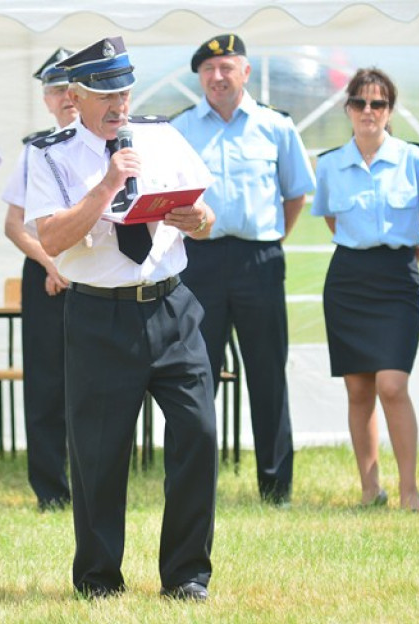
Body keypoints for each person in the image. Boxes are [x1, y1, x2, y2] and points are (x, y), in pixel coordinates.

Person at [25, 37, 218, 600]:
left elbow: (205, 219)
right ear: (74, 97)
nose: (118, 106)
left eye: (124, 92)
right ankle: (99, 579)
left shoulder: (161, 135)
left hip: (170, 305)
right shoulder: (51, 154)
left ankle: (186, 575)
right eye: (104, 95)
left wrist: (196, 217)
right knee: (99, 454)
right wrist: (107, 185)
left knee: (199, 433)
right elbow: (54, 238)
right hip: (98, 316)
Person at [171, 34, 315, 505]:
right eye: (208, 70)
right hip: (201, 263)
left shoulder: (275, 127)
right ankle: (197, 487)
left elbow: (296, 195)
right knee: (197, 378)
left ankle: (276, 487)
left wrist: (268, 238)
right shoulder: (182, 129)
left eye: (225, 68)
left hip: (259, 260)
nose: (216, 78)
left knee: (267, 374)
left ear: (245, 72)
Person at [312, 68, 419, 512]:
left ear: (390, 111)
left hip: (398, 279)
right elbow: (332, 220)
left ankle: (409, 489)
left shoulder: (413, 159)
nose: (369, 112)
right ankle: (370, 488)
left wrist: (401, 264)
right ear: (348, 108)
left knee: (391, 384)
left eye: (379, 104)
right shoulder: (329, 164)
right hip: (348, 280)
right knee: (358, 388)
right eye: (361, 103)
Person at [1, 48, 75, 511]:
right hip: (47, 272)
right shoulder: (36, 149)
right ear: (46, 100)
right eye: (55, 90)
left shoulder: (112, 142)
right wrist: (52, 264)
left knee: (97, 384)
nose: (65, 97)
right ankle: (51, 491)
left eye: (72, 88)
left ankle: (98, 480)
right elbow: (14, 224)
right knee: (46, 387)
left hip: (96, 274)